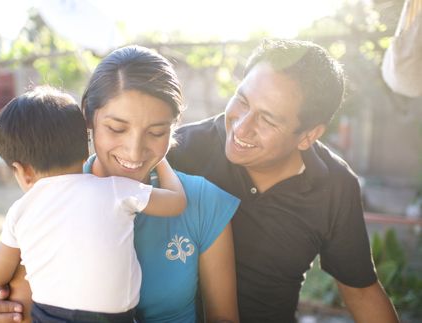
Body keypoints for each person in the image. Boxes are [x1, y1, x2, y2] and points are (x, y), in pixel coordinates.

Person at [0, 46, 240, 323]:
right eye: (117, 129)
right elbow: (19, 304)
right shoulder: (52, 203)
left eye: (156, 133)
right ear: (87, 117)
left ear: (173, 128)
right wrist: (3, 306)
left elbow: (223, 317)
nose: (134, 151)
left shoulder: (203, 201)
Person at [167, 39, 400, 322]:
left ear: (308, 136)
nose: (241, 127)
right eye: (242, 101)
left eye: (267, 120)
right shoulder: (181, 151)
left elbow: (361, 292)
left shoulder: (334, 187)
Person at [0, 85, 188, 322]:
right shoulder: (115, 188)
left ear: (22, 171)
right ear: (86, 150)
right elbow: (177, 202)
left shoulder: (21, 210)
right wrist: (160, 161)